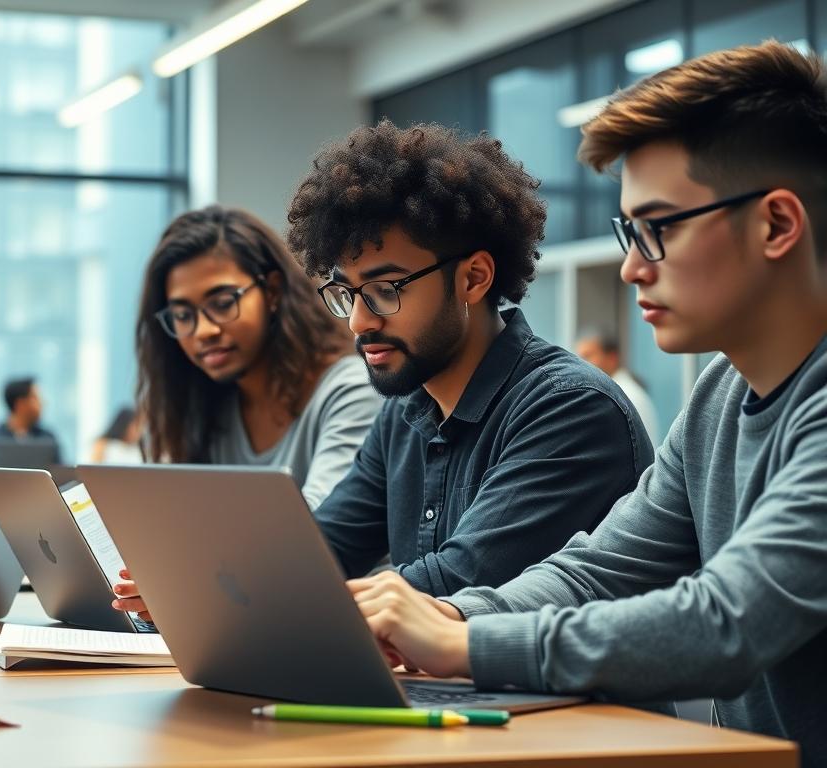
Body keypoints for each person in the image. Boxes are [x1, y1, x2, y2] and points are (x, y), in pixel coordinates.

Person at [349, 42, 827, 766]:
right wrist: (445, 612)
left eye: (658, 229)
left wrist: (462, 643)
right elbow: (596, 568)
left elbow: (727, 623)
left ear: (777, 225)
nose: (634, 266)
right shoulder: (718, 399)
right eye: (629, 232)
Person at [113, 125, 653, 622]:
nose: (359, 320)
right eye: (347, 293)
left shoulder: (570, 409)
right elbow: (321, 548)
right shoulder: (405, 411)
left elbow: (450, 583)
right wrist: (197, 586)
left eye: (386, 290)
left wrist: (236, 596)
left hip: (573, 725)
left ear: (474, 278)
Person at [133, 205, 379, 509]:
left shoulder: (351, 390)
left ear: (272, 292)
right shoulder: (206, 410)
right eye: (183, 315)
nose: (203, 331)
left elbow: (320, 531)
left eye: (222, 303)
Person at [575, 328, 659, 444]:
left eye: (587, 356)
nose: (580, 363)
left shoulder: (623, 395)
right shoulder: (618, 390)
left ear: (612, 358)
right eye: (578, 357)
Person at [0, 377, 62, 466]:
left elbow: (61, 475)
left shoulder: (48, 437)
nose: (42, 403)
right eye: (36, 398)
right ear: (20, 403)